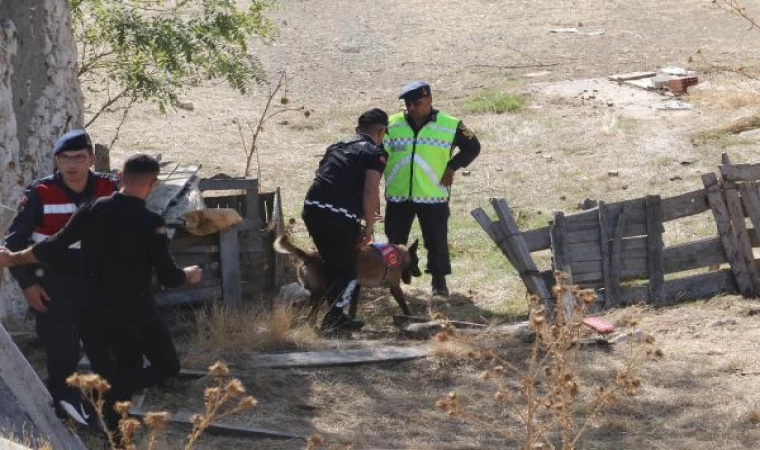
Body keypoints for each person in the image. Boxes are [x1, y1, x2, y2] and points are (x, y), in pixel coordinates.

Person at [0, 154, 202, 427]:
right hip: (137, 312)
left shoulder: (93, 208)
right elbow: (168, 275)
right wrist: (188, 275)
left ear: (119, 177)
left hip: (98, 310)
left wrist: (13, 258)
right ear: (153, 183)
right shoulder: (150, 222)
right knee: (167, 367)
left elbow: (52, 246)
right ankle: (101, 393)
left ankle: (115, 435)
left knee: (125, 370)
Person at [3, 129, 117, 425]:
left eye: (79, 157)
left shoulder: (111, 188)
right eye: (65, 158)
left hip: (102, 284)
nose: (72, 164)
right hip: (55, 285)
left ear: (91, 159)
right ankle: (63, 414)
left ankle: (107, 415)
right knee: (62, 354)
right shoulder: (39, 193)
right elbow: (13, 244)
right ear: (56, 160)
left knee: (106, 351)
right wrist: (28, 285)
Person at [383, 81, 481, 297]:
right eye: (408, 104)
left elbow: (474, 147)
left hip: (433, 194)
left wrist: (453, 166)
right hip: (399, 194)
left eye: (417, 103)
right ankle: (391, 278)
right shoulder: (391, 124)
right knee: (394, 239)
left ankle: (439, 281)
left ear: (429, 101)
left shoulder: (451, 124)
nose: (411, 108)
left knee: (436, 239)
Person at [302, 108, 390, 332]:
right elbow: (371, 190)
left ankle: (334, 316)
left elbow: (328, 175)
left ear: (357, 129)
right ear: (381, 131)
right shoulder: (374, 151)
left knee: (334, 265)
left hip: (312, 208)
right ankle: (335, 318)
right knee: (350, 270)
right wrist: (369, 227)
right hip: (338, 214)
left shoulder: (337, 146)